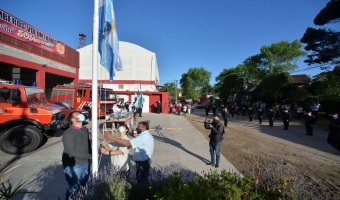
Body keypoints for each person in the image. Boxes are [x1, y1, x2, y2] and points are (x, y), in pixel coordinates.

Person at [62, 111, 92, 199]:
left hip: (86, 162)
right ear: (72, 119)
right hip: (74, 165)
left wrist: (90, 156)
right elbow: (71, 151)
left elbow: (88, 144)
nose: (81, 115)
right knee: (73, 188)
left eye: (80, 113)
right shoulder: (68, 133)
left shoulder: (85, 129)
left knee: (83, 186)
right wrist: (89, 156)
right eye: (77, 114)